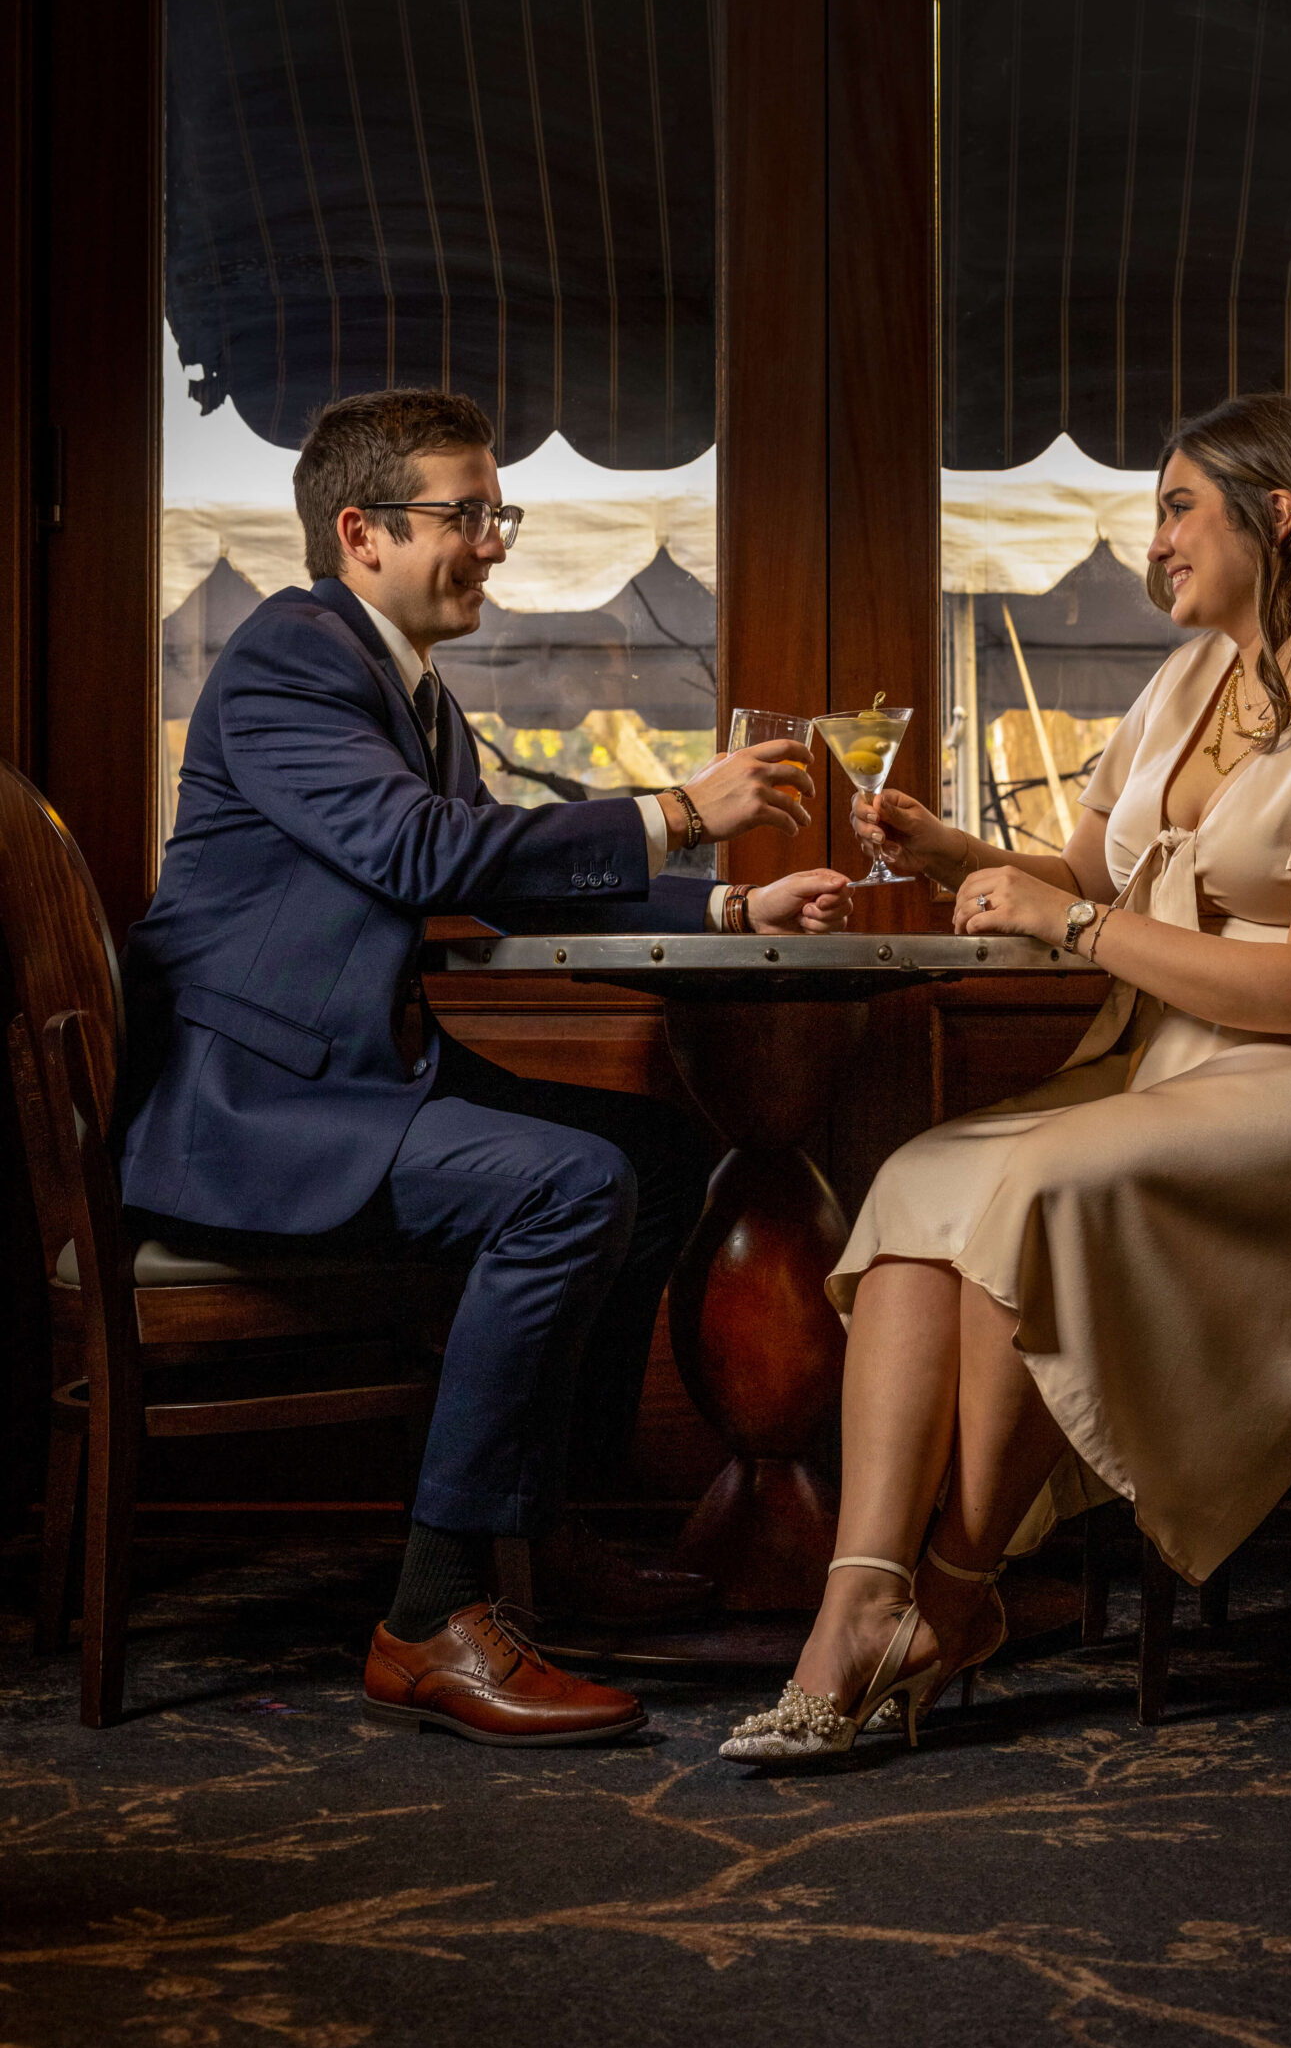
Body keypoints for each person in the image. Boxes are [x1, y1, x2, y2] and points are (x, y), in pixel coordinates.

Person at [722, 391, 1291, 1766]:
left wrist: (1072, 928)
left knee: (1037, 1187)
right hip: (1191, 1062)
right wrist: (948, 852)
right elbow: (1091, 875)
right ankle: (861, 1603)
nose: (1153, 542)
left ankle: (959, 1599)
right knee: (926, 1181)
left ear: (1277, 515)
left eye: (1176, 508)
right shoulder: (1187, 685)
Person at [122, 386, 853, 1749]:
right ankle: (433, 1613)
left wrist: (725, 907)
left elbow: (500, 874)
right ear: (363, 532)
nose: (496, 542)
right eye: (468, 514)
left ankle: (544, 1537)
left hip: (344, 1080)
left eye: (494, 511)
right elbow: (424, 857)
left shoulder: (404, 685)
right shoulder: (294, 656)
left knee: (658, 1154)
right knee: (568, 1185)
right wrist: (685, 812)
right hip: (256, 1112)